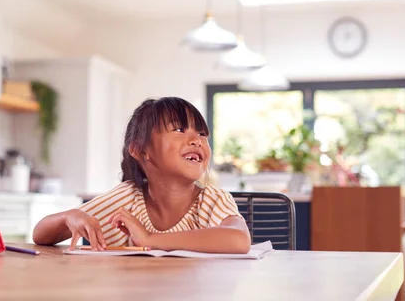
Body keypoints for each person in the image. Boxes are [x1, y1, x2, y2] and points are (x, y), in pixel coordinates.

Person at [33, 96, 251, 254]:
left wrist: (150, 239)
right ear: (140, 151)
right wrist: (69, 216)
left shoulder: (212, 200)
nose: (197, 140)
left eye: (202, 134)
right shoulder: (126, 199)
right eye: (179, 130)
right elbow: (40, 235)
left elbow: (239, 240)